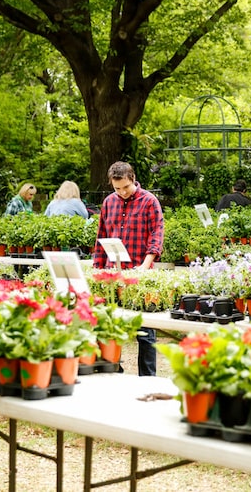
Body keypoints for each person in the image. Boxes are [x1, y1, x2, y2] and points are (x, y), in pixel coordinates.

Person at [93, 161, 163, 377]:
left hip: (139, 271)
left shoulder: (149, 201)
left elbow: (157, 234)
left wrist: (145, 264)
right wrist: (97, 267)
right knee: (111, 326)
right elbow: (101, 237)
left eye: (126, 187)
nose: (122, 192)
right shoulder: (108, 202)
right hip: (112, 273)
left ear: (133, 179)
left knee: (145, 329)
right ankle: (114, 372)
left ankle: (147, 378)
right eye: (117, 188)